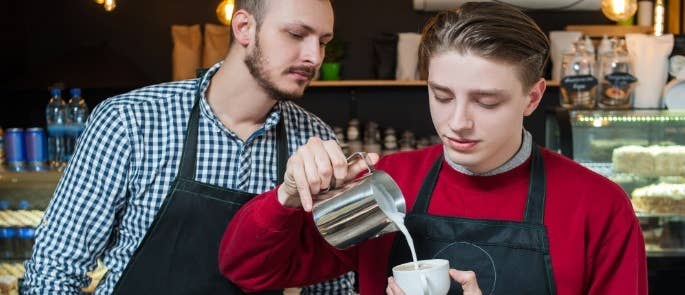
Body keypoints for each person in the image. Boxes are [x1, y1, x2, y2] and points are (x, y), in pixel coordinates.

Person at [219, 2, 649, 295]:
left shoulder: (597, 205)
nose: (456, 122)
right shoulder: (387, 184)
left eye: (486, 101)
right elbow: (251, 270)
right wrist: (285, 198)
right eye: (441, 95)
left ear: (533, 98)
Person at [23, 0, 357, 293]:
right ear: (244, 27)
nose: (314, 57)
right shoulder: (131, 121)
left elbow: (331, 284)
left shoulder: (313, 139)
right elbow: (54, 270)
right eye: (297, 35)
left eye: (323, 42)